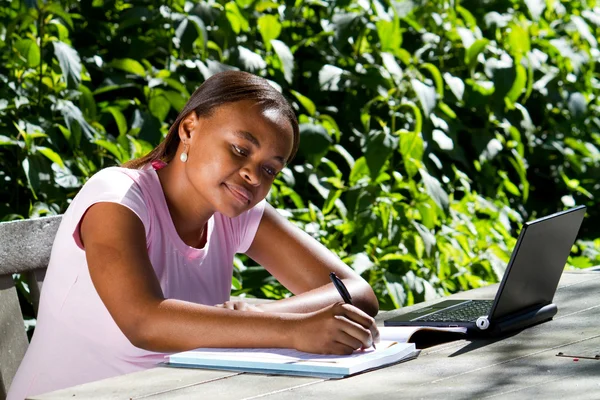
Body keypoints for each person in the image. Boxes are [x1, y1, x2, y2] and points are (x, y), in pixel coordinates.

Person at [7, 71, 379, 399]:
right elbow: (144, 322)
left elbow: (357, 292)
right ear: (189, 128)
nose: (253, 175)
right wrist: (293, 330)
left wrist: (263, 311)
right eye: (239, 149)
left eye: (269, 169)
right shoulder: (116, 197)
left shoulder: (234, 213)